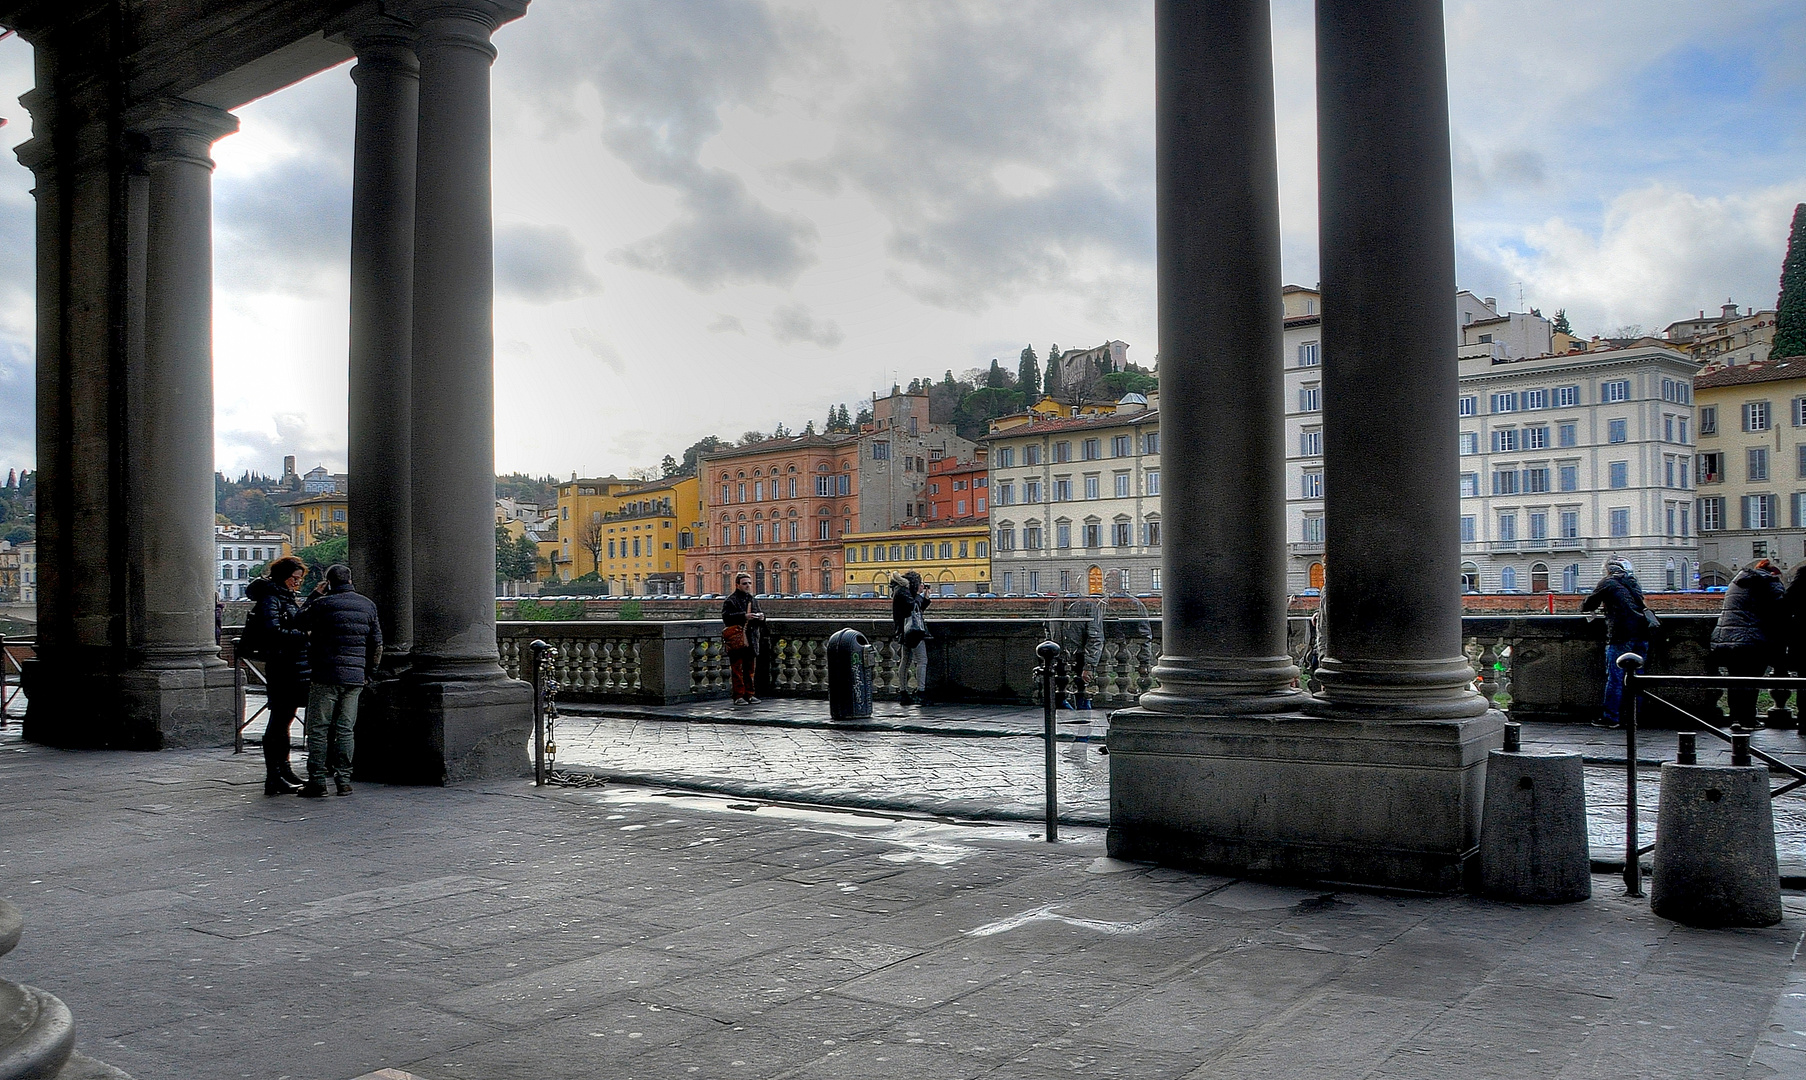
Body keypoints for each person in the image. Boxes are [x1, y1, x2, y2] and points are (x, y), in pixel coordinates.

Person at [294, 564, 381, 797]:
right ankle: (344, 780)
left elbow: (298, 620)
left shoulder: (322, 604)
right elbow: (377, 644)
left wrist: (315, 594)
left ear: (328, 582)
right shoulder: (367, 605)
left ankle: (318, 781)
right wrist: (369, 673)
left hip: (325, 674)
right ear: (350, 579)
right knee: (345, 729)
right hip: (354, 677)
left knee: (319, 729)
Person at [244, 556, 310, 796]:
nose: (297, 583)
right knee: (279, 721)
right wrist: (304, 635)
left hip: (289, 665)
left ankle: (284, 769)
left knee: (285, 719)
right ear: (284, 577)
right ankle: (274, 775)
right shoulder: (271, 598)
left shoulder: (281, 596)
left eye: (299, 579)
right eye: (295, 578)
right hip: (283, 666)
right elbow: (273, 630)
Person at [1709, 558, 1786, 729]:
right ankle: (1748, 720)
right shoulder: (1769, 581)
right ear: (1773, 572)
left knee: (1735, 681)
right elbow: (1781, 609)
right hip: (1750, 640)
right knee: (1750, 682)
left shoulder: (1738, 581)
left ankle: (1736, 719)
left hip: (1724, 638)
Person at [1580, 555, 1651, 729]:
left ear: (1607, 570)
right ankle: (1635, 716)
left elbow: (1588, 605)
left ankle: (1611, 717)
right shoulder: (1633, 582)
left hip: (1620, 635)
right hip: (1642, 633)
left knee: (1615, 677)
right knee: (1638, 677)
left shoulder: (1607, 583)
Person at [721, 573, 764, 705]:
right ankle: (738, 695)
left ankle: (750, 694)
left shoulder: (752, 599)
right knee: (737, 669)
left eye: (749, 583)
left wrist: (761, 618)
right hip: (737, 639)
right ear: (737, 585)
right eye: (745, 583)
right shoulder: (731, 600)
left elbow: (758, 620)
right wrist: (744, 616)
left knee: (750, 669)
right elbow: (726, 618)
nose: (748, 586)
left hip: (751, 639)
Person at [891, 571, 931, 705]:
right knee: (922, 660)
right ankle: (921, 692)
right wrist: (920, 596)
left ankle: (904, 693)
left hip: (905, 631)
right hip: (912, 632)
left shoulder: (902, 591)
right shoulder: (903, 592)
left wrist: (924, 599)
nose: (922, 586)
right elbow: (913, 607)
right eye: (920, 584)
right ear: (914, 583)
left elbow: (916, 610)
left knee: (906, 661)